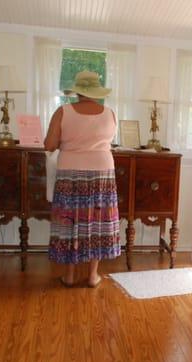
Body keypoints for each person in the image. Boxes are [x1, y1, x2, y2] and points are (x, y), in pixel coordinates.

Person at [44, 71, 120, 288]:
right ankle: (92, 276)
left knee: (71, 221)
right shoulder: (110, 114)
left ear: (77, 91)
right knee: (96, 223)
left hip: (71, 172)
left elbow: (49, 145)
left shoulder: (63, 112)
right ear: (96, 92)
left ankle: (69, 276)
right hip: (102, 173)